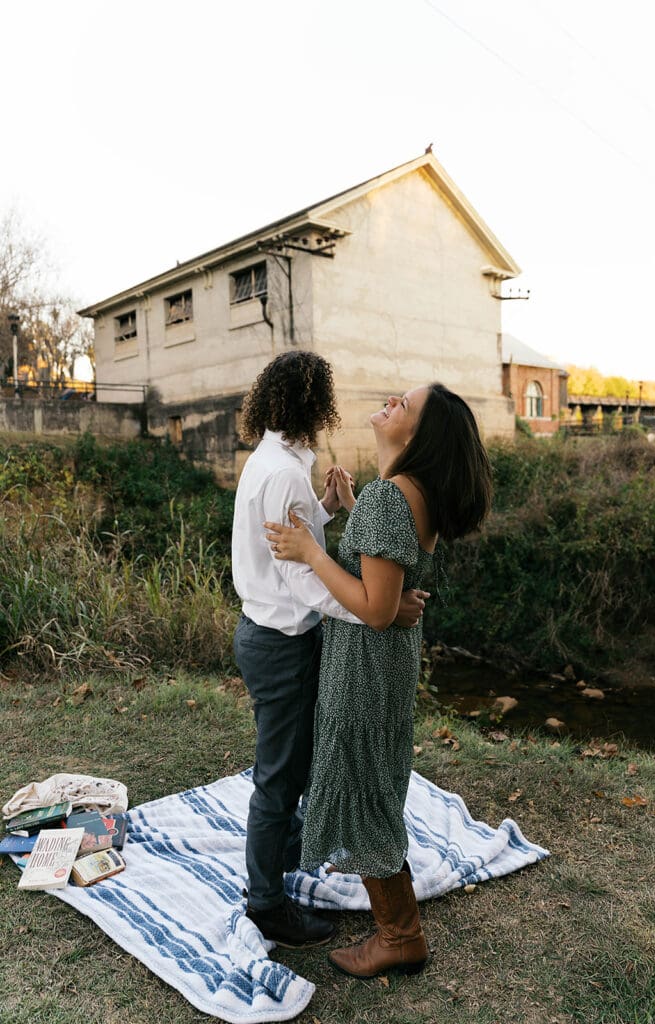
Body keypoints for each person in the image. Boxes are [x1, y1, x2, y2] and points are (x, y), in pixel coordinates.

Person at [265, 382, 493, 977]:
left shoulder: (389, 500)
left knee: (362, 778)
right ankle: (397, 928)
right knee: (372, 774)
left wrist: (311, 551)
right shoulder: (407, 494)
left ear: (417, 434)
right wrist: (353, 503)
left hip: (366, 661)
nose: (391, 402)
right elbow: (388, 590)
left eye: (404, 405)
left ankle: (400, 934)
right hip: (386, 660)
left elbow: (373, 608)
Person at [231, 351, 430, 949]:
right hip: (281, 642)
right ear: (315, 405)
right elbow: (298, 577)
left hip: (274, 635)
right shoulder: (282, 471)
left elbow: (292, 545)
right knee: (279, 778)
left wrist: (326, 509)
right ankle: (267, 902)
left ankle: (290, 855)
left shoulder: (279, 463)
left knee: (299, 765)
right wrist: (381, 607)